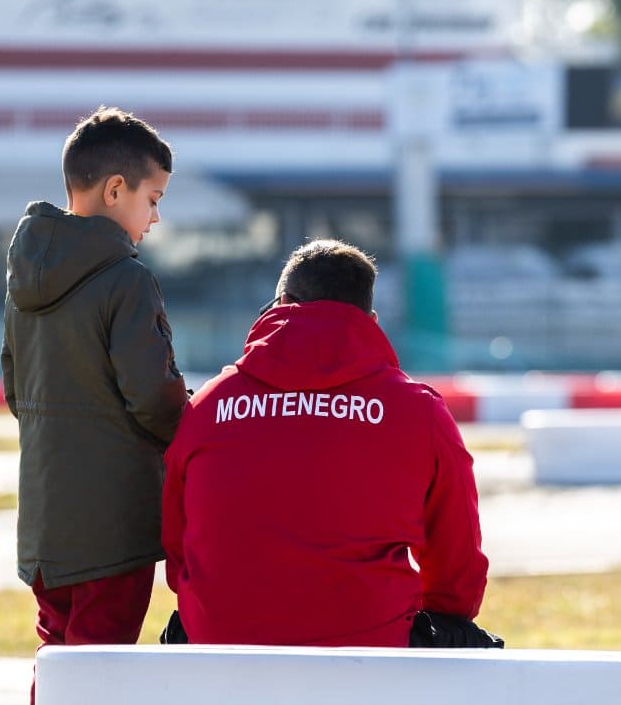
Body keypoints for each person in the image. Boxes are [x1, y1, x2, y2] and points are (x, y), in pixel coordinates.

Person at [1, 106, 187, 705]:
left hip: (45, 516)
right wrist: (194, 425)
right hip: (113, 519)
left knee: (59, 655)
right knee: (101, 662)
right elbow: (154, 398)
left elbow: (15, 390)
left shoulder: (24, 275)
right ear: (116, 190)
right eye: (153, 199)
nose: (154, 218)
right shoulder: (126, 281)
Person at [161, 239, 492, 650]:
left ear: (281, 305)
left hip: (222, 645)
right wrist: (441, 616)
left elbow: (177, 544)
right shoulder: (419, 411)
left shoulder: (209, 405)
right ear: (370, 321)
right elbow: (457, 563)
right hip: (372, 649)